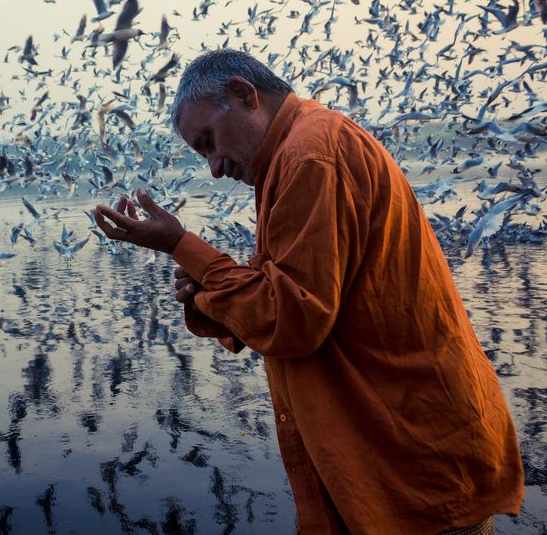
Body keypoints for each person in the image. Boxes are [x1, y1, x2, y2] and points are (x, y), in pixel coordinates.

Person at [93, 49, 523, 534]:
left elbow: (292, 320)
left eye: (210, 141)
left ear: (244, 94)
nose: (214, 167)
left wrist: (181, 246)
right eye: (202, 153)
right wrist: (206, 284)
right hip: (391, 457)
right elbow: (288, 294)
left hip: (413, 464)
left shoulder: (310, 155)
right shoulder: (303, 151)